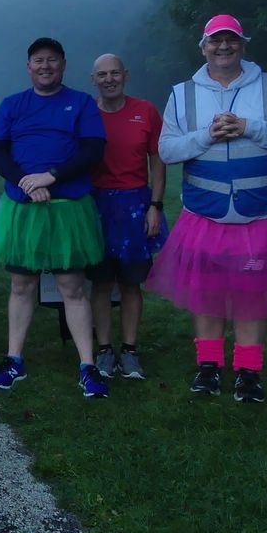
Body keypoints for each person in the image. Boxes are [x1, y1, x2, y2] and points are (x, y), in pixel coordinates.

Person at [148, 15, 267, 403]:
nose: (224, 47)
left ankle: (249, 372)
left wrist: (250, 127)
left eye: (231, 40)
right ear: (203, 47)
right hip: (205, 214)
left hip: (259, 215)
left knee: (252, 295)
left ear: (243, 45)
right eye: (215, 41)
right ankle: (208, 366)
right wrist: (207, 135)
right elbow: (167, 150)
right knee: (207, 291)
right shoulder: (182, 93)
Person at [0, 38, 110, 398]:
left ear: (63, 65)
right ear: (29, 66)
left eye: (52, 61)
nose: (45, 66)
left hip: (67, 207)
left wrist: (51, 176)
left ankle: (88, 365)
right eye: (38, 61)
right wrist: (27, 181)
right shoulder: (13, 104)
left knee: (72, 288)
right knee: (21, 285)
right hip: (23, 208)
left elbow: (93, 150)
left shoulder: (81, 103)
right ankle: (14, 359)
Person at [87, 53, 168, 380]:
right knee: (102, 283)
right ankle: (104, 350)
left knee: (132, 284)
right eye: (102, 74)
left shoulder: (146, 111)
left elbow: (158, 161)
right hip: (95, 206)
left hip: (136, 204)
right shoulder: (86, 112)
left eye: (115, 73)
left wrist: (156, 205)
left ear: (125, 75)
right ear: (93, 79)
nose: (109, 79)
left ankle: (130, 351)